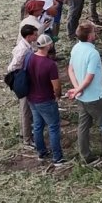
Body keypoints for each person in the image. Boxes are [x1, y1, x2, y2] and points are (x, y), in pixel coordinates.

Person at [66, 23, 102, 170]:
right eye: (94, 32)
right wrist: (79, 88)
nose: (95, 34)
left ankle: (86, 156)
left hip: (82, 98)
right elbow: (89, 78)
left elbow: (70, 69)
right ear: (90, 36)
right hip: (94, 97)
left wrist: (77, 89)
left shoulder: (75, 48)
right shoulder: (93, 53)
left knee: (83, 125)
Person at [27, 34, 68, 166]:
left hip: (32, 98)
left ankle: (41, 152)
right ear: (48, 45)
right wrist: (58, 95)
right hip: (46, 100)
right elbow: (56, 86)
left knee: (38, 126)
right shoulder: (50, 65)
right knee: (53, 127)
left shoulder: (30, 57)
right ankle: (57, 157)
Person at [8, 23, 38, 148]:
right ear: (29, 36)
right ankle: (27, 139)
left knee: (27, 109)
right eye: (35, 34)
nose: (37, 36)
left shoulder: (26, 45)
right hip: (22, 81)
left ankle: (25, 132)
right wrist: (21, 73)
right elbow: (12, 66)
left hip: (24, 79)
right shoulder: (23, 49)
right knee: (25, 110)